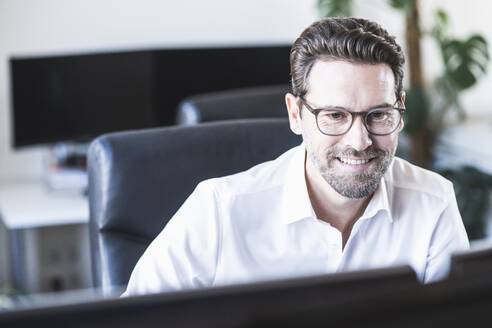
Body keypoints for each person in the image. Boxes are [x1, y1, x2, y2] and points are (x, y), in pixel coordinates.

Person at [123, 17, 469, 296]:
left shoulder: (432, 202)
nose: (361, 140)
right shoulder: (218, 210)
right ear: (295, 115)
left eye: (378, 114)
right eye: (335, 115)